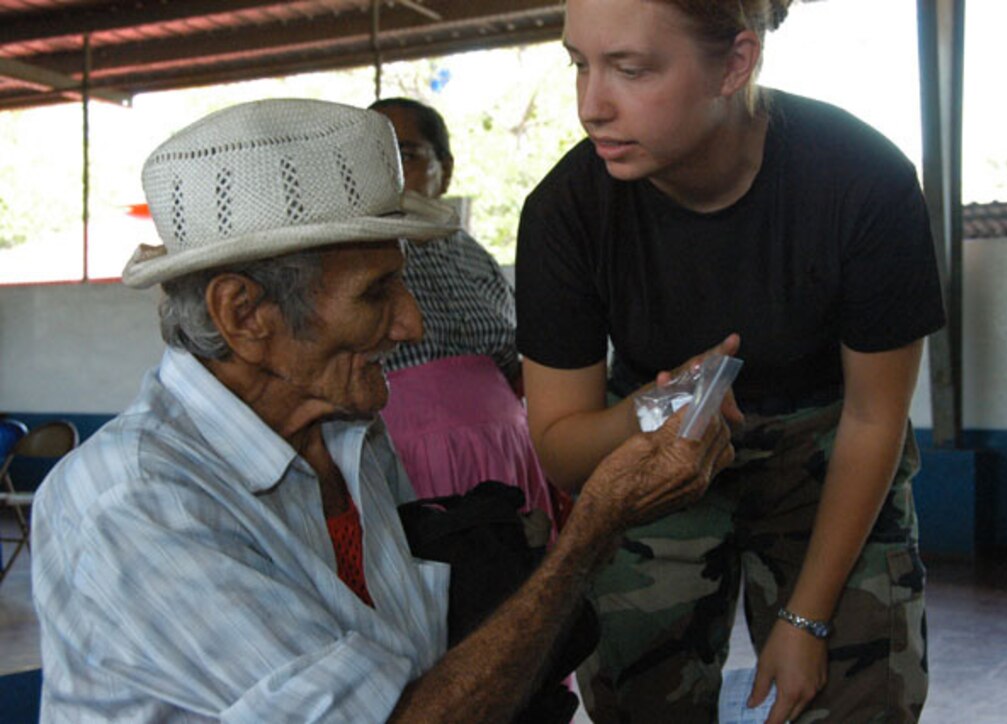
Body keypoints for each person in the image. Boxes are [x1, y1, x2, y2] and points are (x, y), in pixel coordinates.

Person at [30, 98, 735, 723]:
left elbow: (414, 665)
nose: (411, 326)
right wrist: (589, 535)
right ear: (245, 313)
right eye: (377, 293)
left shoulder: (346, 433)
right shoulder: (135, 502)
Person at [515, 1, 946, 723]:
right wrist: (657, 407)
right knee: (637, 693)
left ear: (735, 64)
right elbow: (562, 449)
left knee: (859, 699)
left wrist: (806, 622)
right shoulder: (566, 214)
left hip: (832, 459)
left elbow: (875, 418)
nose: (592, 106)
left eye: (630, 68)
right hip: (655, 451)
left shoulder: (862, 181)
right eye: (579, 65)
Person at [367, 97, 557, 526]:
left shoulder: (471, 253)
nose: (389, 172)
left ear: (445, 170)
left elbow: (514, 358)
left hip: (505, 447)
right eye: (373, 157)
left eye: (407, 155)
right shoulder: (355, 258)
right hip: (405, 454)